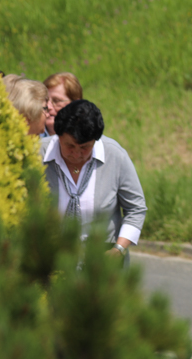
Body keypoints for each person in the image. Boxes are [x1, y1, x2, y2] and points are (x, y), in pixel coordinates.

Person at [43, 99, 147, 262]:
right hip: (50, 261)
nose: (76, 155)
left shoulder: (115, 155)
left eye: (85, 148)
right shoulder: (36, 154)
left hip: (100, 265)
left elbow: (136, 208)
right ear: (58, 136)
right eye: (69, 146)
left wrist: (118, 249)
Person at [44, 72, 83, 137]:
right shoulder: (27, 139)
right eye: (45, 100)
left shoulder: (89, 143)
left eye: (56, 101)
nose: (48, 106)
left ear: (76, 105)